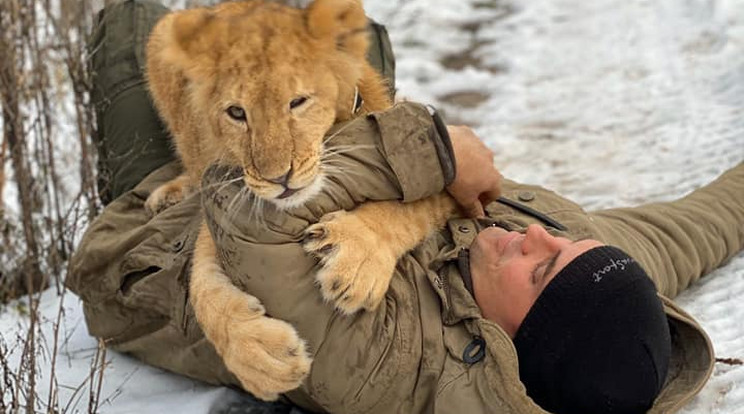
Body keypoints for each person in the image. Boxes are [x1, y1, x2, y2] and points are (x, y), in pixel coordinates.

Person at [66, 1, 744, 413]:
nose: (534, 234)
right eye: (566, 245)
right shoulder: (568, 248)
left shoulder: (391, 362)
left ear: (510, 340)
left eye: (540, 269)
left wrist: (438, 154)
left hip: (164, 223)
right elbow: (696, 226)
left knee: (135, 19)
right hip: (284, 147)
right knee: (358, 38)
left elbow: (259, 218)